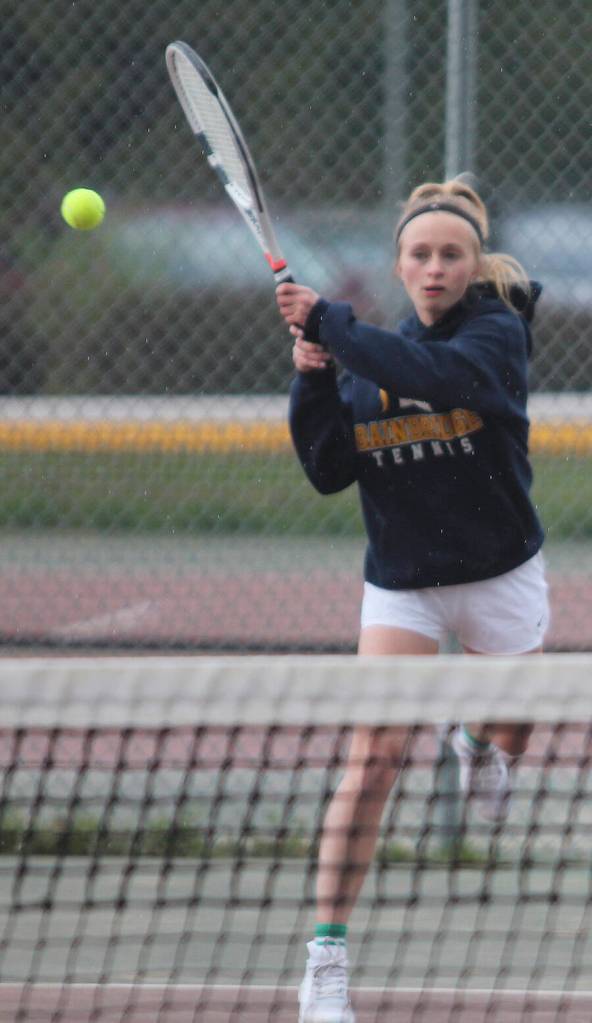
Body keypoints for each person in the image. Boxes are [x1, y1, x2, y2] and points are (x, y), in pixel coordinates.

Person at [275, 179, 550, 1023]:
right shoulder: (367, 357)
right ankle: (325, 960)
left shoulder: (496, 336)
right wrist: (315, 377)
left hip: (500, 572)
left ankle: (476, 740)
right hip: (404, 586)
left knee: (514, 729)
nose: (434, 268)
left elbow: (437, 373)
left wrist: (335, 327)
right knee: (374, 761)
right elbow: (328, 469)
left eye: (450, 254)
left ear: (474, 265)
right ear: (399, 267)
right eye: (420, 255)